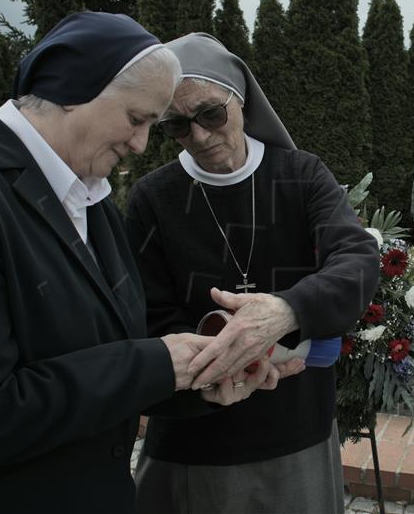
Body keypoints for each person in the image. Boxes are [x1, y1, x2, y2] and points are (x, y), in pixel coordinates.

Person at [0, 13, 276, 514]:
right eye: (137, 118)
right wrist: (155, 363)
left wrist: (198, 378)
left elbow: (104, 360)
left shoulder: (89, 195)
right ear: (72, 89)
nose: (141, 145)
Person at [126, 32, 380, 514]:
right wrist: (224, 359)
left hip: (294, 428)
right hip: (193, 436)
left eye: (210, 114)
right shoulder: (151, 198)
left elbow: (356, 259)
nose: (199, 136)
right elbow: (144, 315)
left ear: (239, 98)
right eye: (177, 125)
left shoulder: (302, 176)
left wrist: (286, 310)